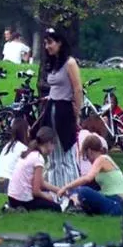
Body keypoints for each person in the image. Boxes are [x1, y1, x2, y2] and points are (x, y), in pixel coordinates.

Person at [39, 28, 83, 189]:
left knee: (66, 152)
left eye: (50, 42)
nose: (47, 46)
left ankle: (72, 191)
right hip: (52, 107)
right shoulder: (54, 63)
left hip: (63, 109)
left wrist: (77, 113)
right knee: (52, 152)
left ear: (59, 43)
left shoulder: (69, 63)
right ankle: (55, 189)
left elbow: (77, 89)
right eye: (45, 43)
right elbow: (55, 86)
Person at [58, 134, 123, 216]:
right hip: (114, 202)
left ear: (90, 151)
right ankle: (75, 204)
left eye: (86, 156)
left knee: (83, 190)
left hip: (115, 203)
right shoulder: (105, 160)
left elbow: (87, 178)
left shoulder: (101, 159)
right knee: (80, 189)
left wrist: (66, 187)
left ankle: (74, 205)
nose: (89, 161)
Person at [5, 127, 62, 212]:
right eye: (53, 144)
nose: (54, 148)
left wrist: (59, 190)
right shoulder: (38, 159)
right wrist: (47, 197)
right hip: (22, 200)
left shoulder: (30, 153)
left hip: (12, 197)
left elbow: (41, 183)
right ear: (48, 143)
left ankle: (12, 207)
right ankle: (20, 209)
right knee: (57, 208)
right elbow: (36, 191)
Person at [0, 116, 32, 191]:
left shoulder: (8, 146)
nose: (29, 133)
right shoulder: (23, 148)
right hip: (10, 183)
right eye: (28, 130)